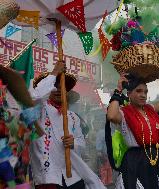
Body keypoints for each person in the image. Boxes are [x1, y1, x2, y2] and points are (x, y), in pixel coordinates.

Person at [29, 61, 106, 189]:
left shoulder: (72, 117)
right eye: (54, 85)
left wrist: (73, 142)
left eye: (62, 86)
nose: (58, 89)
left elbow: (81, 143)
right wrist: (54, 72)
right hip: (49, 177)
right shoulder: (39, 110)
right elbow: (34, 96)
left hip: (73, 176)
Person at [106, 73, 159, 189]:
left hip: (157, 156)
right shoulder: (124, 113)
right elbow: (111, 116)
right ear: (129, 94)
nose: (143, 95)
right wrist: (118, 90)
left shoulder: (150, 109)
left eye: (145, 92)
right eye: (139, 91)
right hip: (135, 160)